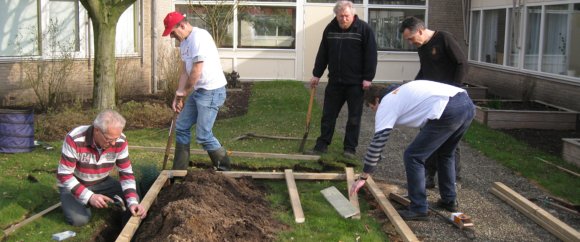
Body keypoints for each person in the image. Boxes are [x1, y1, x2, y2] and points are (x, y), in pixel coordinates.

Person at [350, 81, 475, 220]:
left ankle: (419, 208)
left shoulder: (387, 102)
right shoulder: (399, 91)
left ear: (377, 99)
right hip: (466, 103)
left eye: (373, 107)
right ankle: (449, 200)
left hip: (448, 109)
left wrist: (364, 176)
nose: (375, 111)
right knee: (445, 153)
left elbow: (378, 141)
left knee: (413, 156)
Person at [399, 16, 469, 188]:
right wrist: (413, 87)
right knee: (427, 136)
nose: (410, 42)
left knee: (450, 141)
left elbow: (462, 63)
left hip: (450, 99)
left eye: (411, 38)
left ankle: (454, 178)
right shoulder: (422, 47)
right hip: (430, 100)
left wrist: (455, 89)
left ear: (421, 31)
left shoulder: (444, 38)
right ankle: (429, 175)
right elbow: (424, 70)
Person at [307, 0, 377, 159]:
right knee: (328, 115)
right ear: (336, 16)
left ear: (353, 14)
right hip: (335, 82)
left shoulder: (364, 29)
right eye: (340, 16)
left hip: (356, 84)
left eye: (346, 16)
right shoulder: (330, 29)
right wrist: (316, 74)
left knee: (354, 117)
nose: (343, 19)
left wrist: (368, 78)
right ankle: (322, 145)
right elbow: (322, 53)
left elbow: (371, 55)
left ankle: (349, 149)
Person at [162, 11, 231, 171]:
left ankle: (225, 170)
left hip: (212, 91)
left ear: (182, 25)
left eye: (173, 32)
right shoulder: (185, 43)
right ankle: (178, 172)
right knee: (182, 126)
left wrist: (184, 92)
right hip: (200, 91)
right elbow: (185, 72)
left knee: (204, 135)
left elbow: (196, 70)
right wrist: (178, 95)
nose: (172, 37)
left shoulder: (199, 37)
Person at [56, 109, 147, 226]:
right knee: (79, 220)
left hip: (102, 182)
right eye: (109, 139)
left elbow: (126, 173)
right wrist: (90, 196)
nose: (114, 143)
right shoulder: (74, 139)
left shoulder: (120, 140)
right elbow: (64, 175)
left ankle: (127, 228)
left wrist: (132, 201)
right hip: (74, 183)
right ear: (97, 130)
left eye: (116, 138)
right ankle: (75, 200)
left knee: (133, 200)